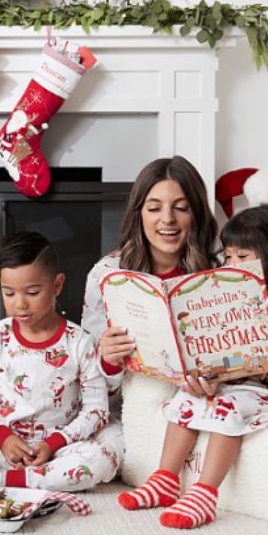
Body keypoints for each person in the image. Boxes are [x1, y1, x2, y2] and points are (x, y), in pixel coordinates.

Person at [118, 205, 268, 528]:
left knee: (228, 405)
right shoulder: (231, 297)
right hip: (234, 383)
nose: (231, 266)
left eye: (242, 257)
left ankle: (204, 493)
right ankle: (165, 479)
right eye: (227, 257)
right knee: (187, 399)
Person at [0, 231, 124, 492]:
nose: (20, 304)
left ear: (57, 286)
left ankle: (9, 480)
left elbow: (96, 409)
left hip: (61, 446)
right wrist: (3, 437)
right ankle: (33, 476)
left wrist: (55, 442)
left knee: (106, 454)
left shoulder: (80, 342)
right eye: (9, 293)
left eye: (32, 292)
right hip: (5, 444)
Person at [82, 156, 219, 401]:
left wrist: (217, 381)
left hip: (199, 399)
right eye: (154, 208)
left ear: (196, 214)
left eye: (181, 207)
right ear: (139, 214)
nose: (167, 219)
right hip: (136, 401)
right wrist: (109, 360)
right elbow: (92, 385)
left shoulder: (220, 269)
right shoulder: (107, 274)